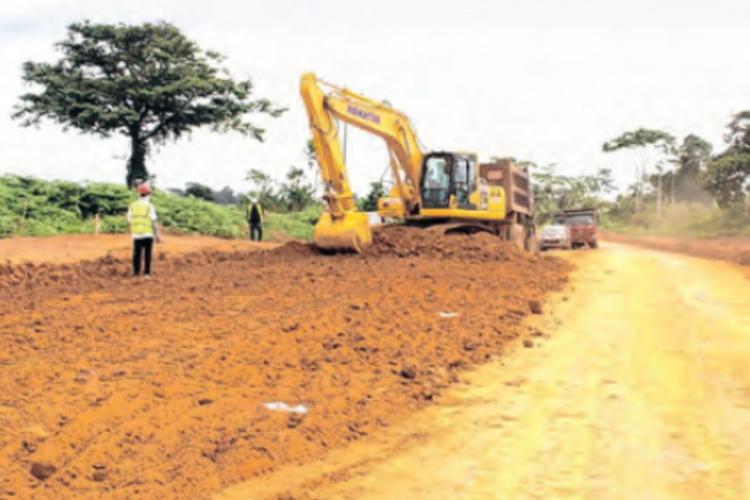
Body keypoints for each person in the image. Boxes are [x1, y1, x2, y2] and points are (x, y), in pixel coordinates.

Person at [127, 183, 160, 278]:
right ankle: (147, 274)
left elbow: (129, 220)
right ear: (149, 194)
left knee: (136, 255)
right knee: (147, 255)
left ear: (139, 194)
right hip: (148, 234)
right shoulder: (150, 206)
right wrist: (157, 235)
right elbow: (154, 222)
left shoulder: (132, 205)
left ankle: (136, 274)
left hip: (136, 234)